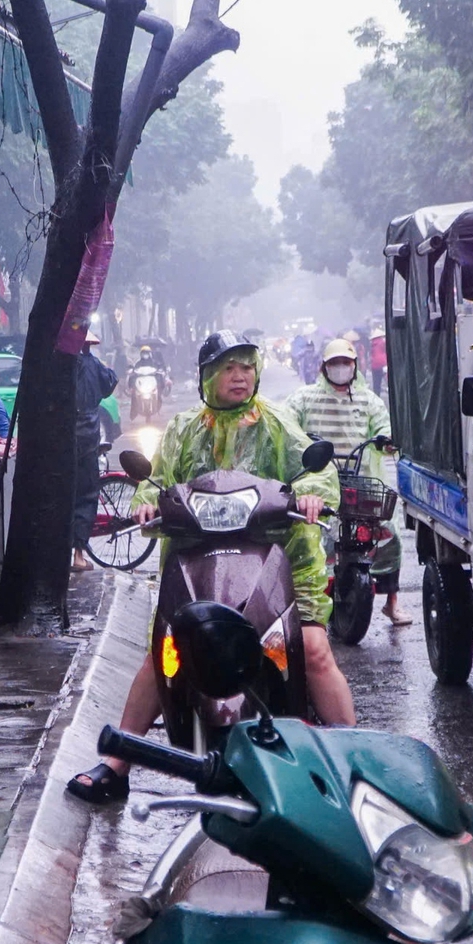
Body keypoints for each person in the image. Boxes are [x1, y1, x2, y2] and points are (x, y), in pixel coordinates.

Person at [68, 334, 352, 803]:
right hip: (198, 561)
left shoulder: (277, 423)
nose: (239, 376)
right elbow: (156, 481)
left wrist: (311, 493)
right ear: (206, 378)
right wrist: (143, 503)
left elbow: (315, 469)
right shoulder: (182, 428)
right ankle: (116, 763)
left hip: (279, 560)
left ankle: (350, 758)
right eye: (227, 368)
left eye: (245, 367)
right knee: (164, 655)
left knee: (315, 648)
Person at [283, 337, 410, 628]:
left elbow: (383, 425)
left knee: (389, 536)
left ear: (355, 366)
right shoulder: (304, 398)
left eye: (345, 363)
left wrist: (387, 440)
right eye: (334, 363)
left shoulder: (368, 399)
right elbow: (286, 424)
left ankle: (392, 603)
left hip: (359, 482)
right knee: (310, 537)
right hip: (317, 483)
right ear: (323, 367)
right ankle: (308, 606)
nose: (340, 368)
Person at [73, 333, 119, 572]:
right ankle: (78, 554)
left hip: (66, 438)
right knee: (86, 494)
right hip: (89, 436)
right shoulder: (94, 365)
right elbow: (110, 382)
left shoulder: (63, 366)